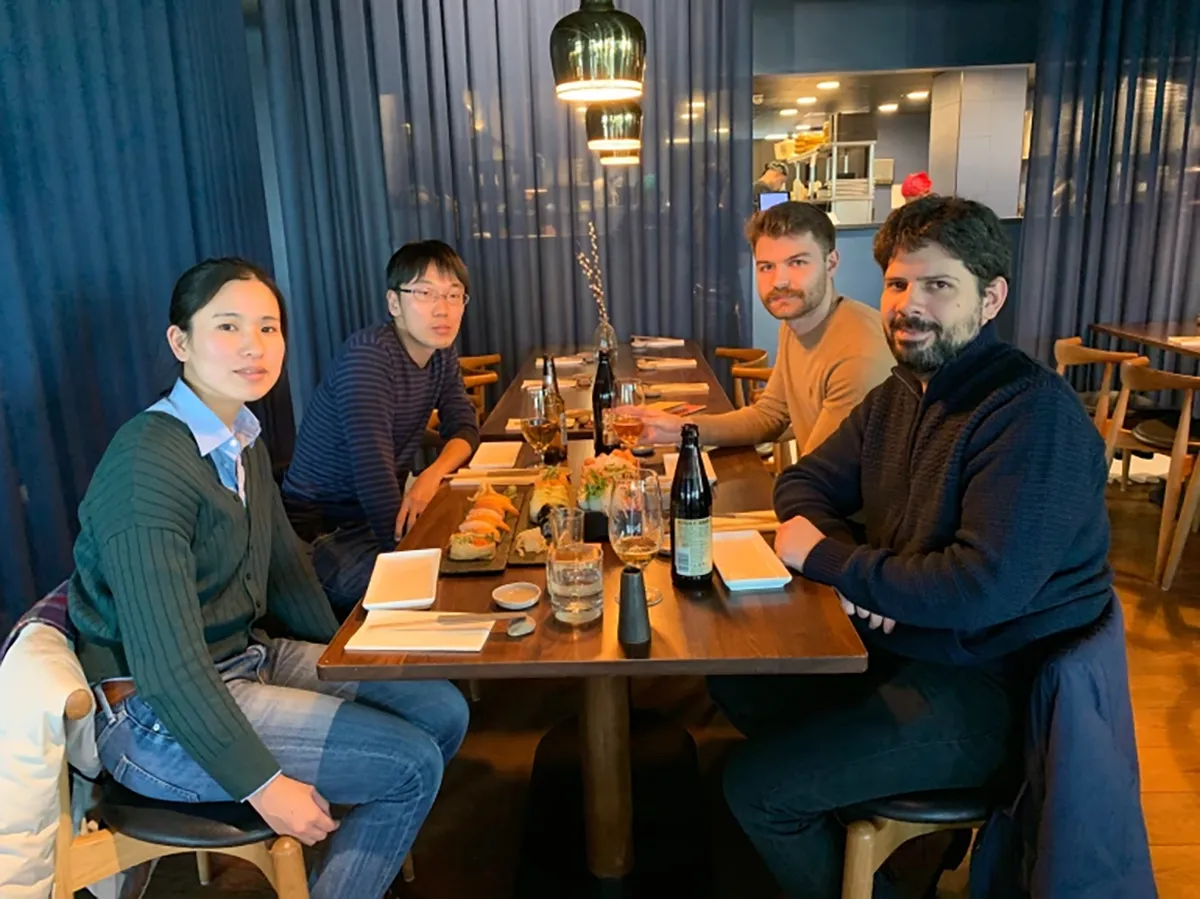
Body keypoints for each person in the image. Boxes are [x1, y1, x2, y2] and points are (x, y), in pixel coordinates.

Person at [710, 196, 1113, 898]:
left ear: (990, 299)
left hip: (992, 686)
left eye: (938, 284)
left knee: (756, 789)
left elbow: (978, 588)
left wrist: (840, 565)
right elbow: (805, 482)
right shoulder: (902, 391)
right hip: (913, 644)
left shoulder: (1031, 413)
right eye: (898, 283)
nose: (909, 304)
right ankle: (865, 836)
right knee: (734, 674)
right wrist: (863, 571)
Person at [68, 259, 469, 899]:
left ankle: (351, 869)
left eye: (268, 327)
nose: (254, 346)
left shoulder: (242, 438)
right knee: (410, 767)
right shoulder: (148, 461)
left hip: (244, 660)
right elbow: (167, 667)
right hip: (153, 715)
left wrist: (348, 660)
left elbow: (289, 576)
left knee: (441, 709)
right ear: (180, 342)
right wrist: (263, 783)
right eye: (228, 326)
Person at [283, 240, 480, 613]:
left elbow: (465, 426)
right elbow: (373, 475)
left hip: (376, 516)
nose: (443, 308)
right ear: (394, 303)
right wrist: (407, 560)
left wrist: (432, 474)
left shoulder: (441, 353)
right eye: (424, 293)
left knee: (472, 555)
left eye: (454, 295)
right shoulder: (369, 356)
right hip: (321, 533)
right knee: (438, 587)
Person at [627, 201, 893, 458]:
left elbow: (825, 474)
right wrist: (680, 429)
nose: (779, 281)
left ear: (831, 263)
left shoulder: (858, 355)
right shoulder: (796, 324)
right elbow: (770, 415)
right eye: (767, 267)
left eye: (797, 262)